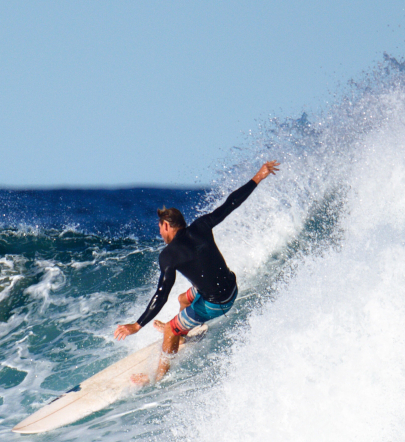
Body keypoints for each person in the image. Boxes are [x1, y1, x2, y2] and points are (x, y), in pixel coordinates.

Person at [114, 160, 280, 384]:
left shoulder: (168, 255)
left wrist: (137, 324)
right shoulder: (201, 225)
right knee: (183, 298)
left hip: (217, 302)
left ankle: (157, 377)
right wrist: (258, 177)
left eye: (160, 229)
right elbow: (230, 204)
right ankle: (184, 332)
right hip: (231, 286)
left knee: (170, 330)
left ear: (166, 225)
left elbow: (161, 294)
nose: (161, 235)